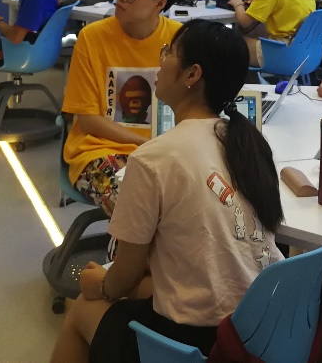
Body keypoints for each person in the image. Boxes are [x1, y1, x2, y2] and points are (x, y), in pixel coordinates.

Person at [50, 21, 284, 363]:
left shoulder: (151, 159)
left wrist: (100, 284)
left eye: (169, 52)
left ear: (192, 74)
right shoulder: (248, 143)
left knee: (83, 308)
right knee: (145, 285)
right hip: (260, 325)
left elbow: (124, 276)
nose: (160, 61)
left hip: (199, 341)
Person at [61, 0, 183, 214]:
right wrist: (145, 143)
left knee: (196, 201)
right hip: (99, 150)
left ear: (159, 3)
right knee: (138, 206)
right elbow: (88, 120)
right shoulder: (91, 38)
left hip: (164, 151)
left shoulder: (179, 39)